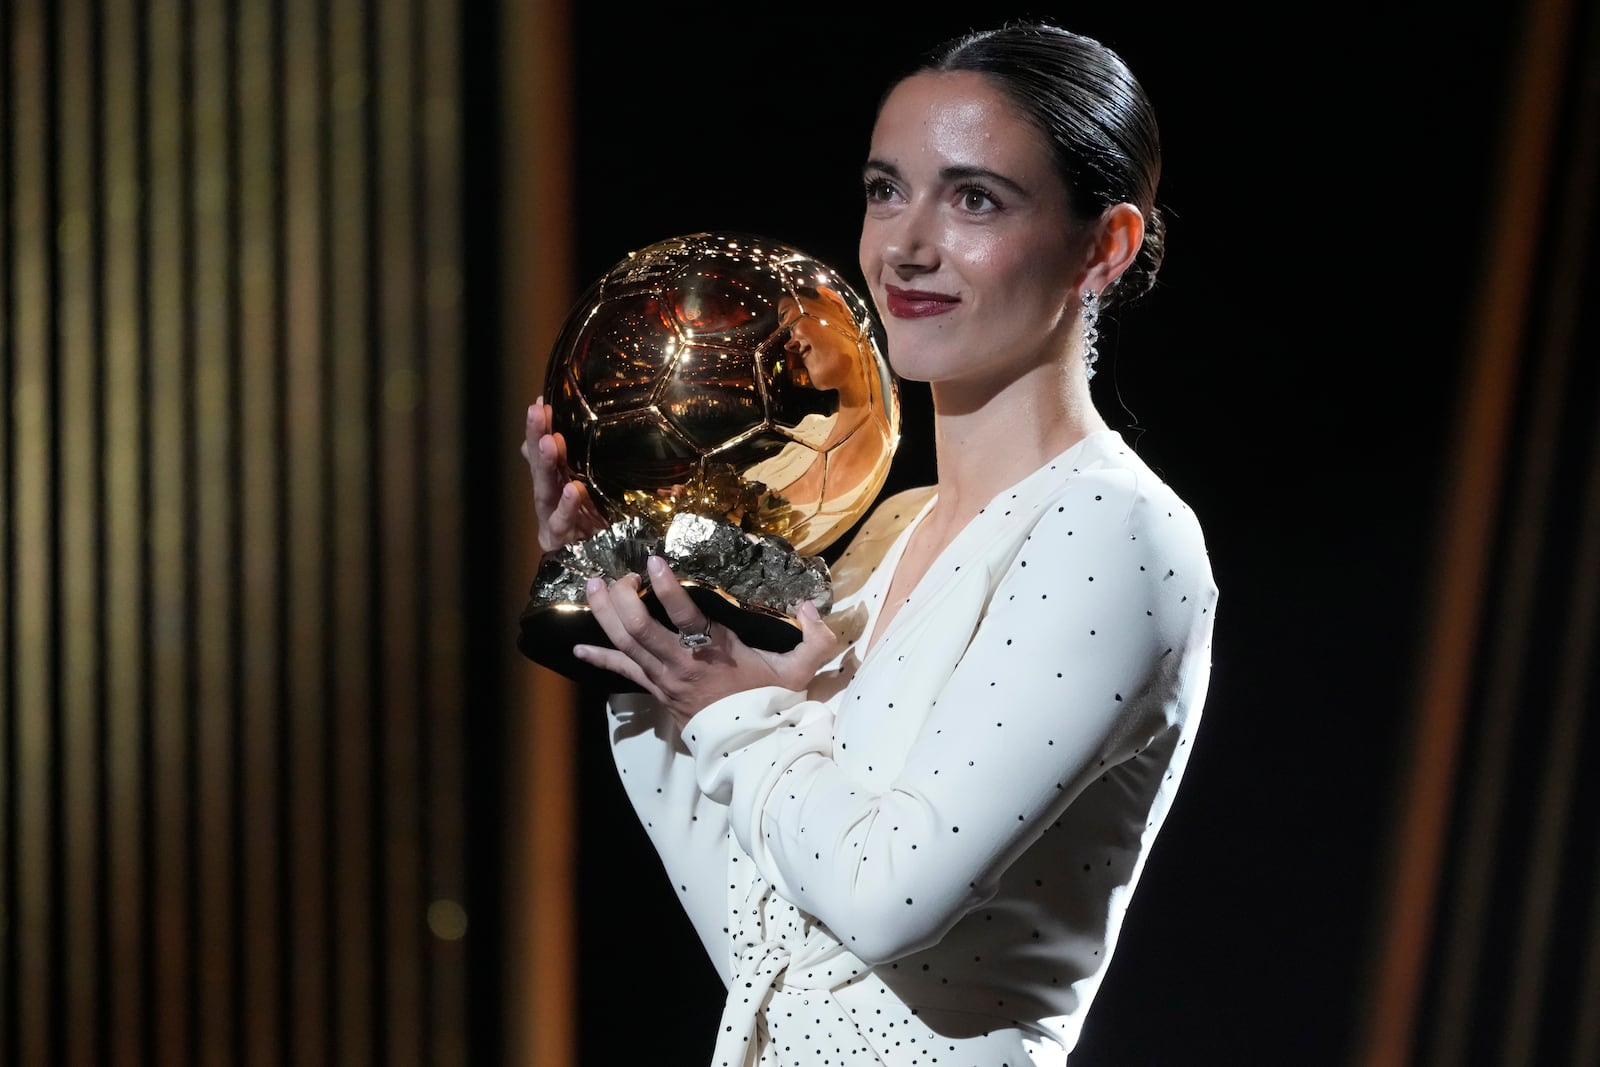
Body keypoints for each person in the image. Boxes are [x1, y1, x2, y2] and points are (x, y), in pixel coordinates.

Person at [524, 20, 1217, 1066]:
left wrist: (738, 708)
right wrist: (633, 608)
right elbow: (769, 948)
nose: (905, 243)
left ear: (1104, 246)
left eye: (975, 198)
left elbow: (884, 894)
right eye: (887, 189)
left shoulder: (1114, 528)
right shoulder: (888, 535)